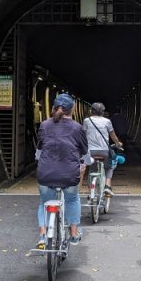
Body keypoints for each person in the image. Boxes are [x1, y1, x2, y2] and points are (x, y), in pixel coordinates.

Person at [35, 93, 90, 250]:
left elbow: (38, 152)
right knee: (72, 199)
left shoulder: (44, 125)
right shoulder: (77, 128)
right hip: (69, 175)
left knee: (44, 203)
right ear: (72, 109)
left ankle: (43, 235)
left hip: (45, 174)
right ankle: (73, 234)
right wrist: (86, 163)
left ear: (53, 108)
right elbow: (85, 154)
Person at [82, 102, 123, 197]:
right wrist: (118, 143)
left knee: (91, 170)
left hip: (90, 151)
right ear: (103, 112)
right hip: (104, 151)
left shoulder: (87, 121)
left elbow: (83, 135)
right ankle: (107, 186)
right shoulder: (107, 121)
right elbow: (113, 136)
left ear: (91, 111)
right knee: (109, 167)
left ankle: (90, 193)